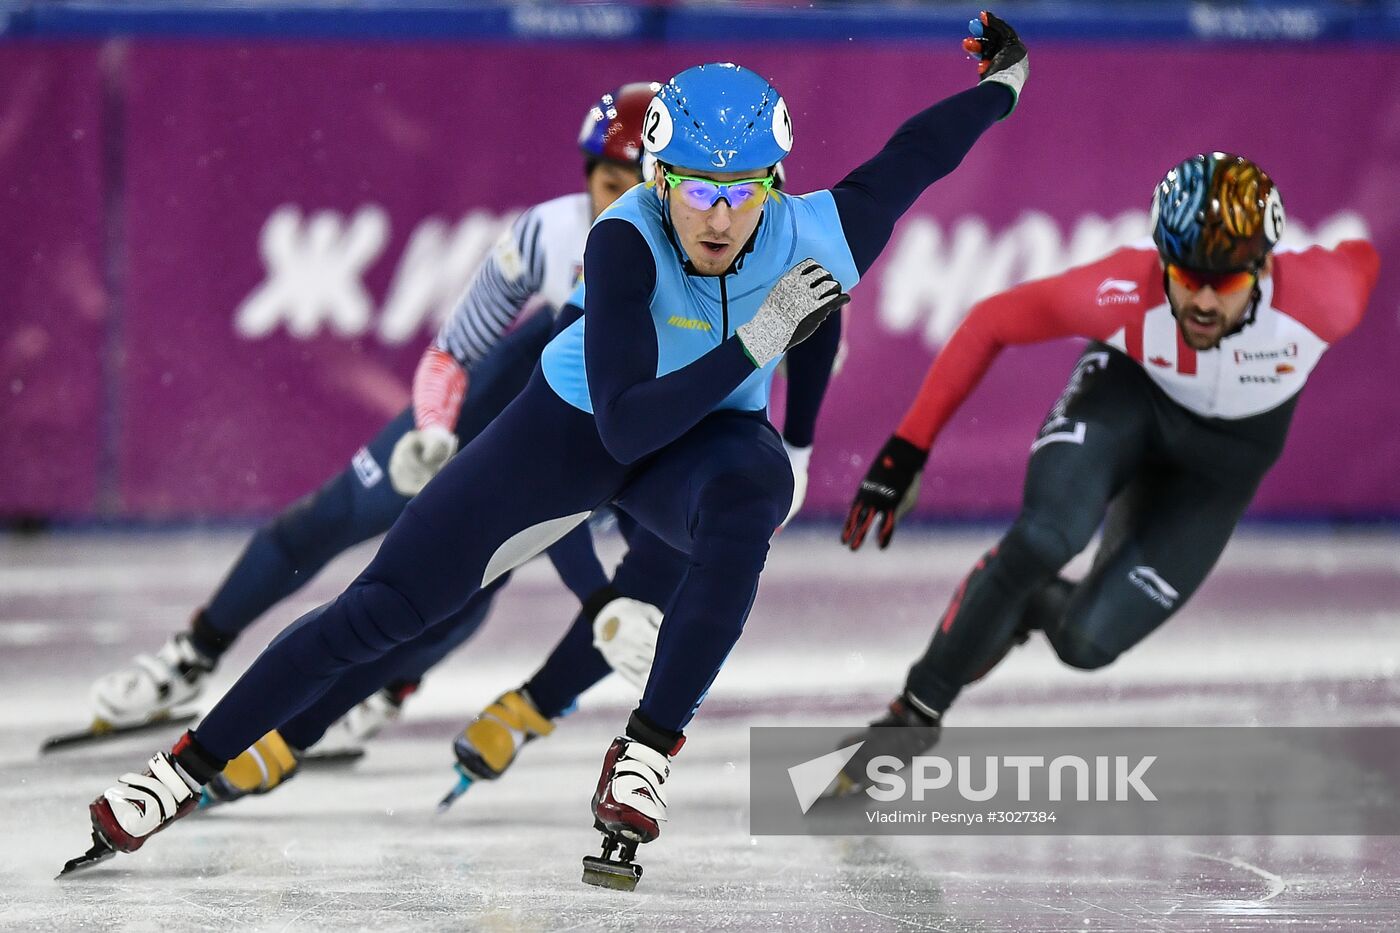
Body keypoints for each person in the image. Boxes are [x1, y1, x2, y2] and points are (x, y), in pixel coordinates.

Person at [71, 12, 1029, 889]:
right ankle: (179, 770)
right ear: (659, 181)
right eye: (695, 189)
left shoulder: (823, 228)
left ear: (773, 183)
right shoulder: (624, 240)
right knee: (384, 612)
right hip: (577, 427)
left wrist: (1004, 84)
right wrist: (757, 341)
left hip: (699, 452)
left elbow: (919, 152)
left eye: (739, 192)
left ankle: (647, 751)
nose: (717, 216)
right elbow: (623, 428)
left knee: (754, 490)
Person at [76, 84, 662, 752]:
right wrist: (437, 426)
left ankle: (378, 688)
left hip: (582, 440)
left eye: (642, 188)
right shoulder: (548, 234)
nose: (623, 207)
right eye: (611, 184)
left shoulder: (695, 266)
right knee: (332, 516)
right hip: (501, 410)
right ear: (586, 177)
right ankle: (193, 653)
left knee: (463, 589)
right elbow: (455, 350)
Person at [833, 151, 1379, 795]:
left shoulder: (1325, 300)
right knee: (1045, 537)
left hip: (1218, 467)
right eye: (1185, 276)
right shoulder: (1125, 289)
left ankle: (1029, 602)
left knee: (1088, 644)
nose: (1202, 301)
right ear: (1160, 261)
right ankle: (910, 718)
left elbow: (1362, 254)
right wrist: (907, 449)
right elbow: (990, 323)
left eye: (1225, 284)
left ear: (1263, 268)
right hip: (1129, 400)